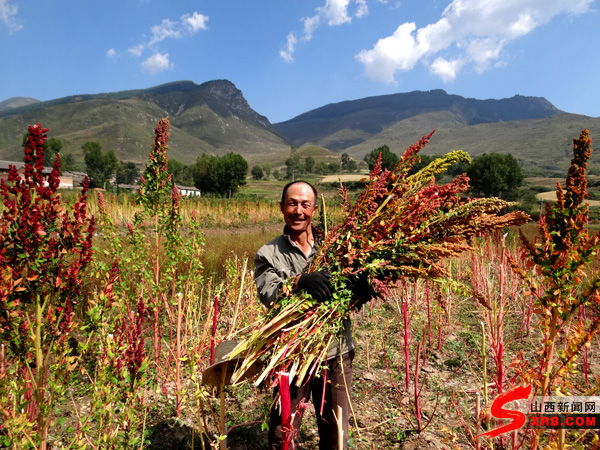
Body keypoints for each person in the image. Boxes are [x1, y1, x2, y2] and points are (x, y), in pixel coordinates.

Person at [254, 180, 370, 450]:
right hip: (291, 353)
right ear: (282, 207)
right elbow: (268, 293)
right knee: (283, 433)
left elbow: (351, 296)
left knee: (336, 432)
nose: (298, 210)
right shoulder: (268, 254)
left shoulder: (336, 249)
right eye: (292, 203)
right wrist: (299, 282)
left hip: (336, 351)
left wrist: (362, 287)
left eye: (305, 204)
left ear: (314, 209)